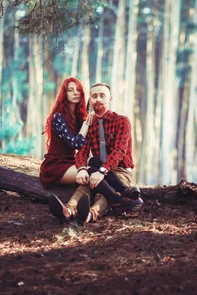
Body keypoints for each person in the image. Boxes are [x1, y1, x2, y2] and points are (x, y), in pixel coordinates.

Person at [49, 83, 143, 224]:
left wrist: (103, 171)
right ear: (90, 100)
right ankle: (67, 211)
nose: (98, 99)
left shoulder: (122, 121)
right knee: (84, 187)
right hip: (96, 169)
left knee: (104, 194)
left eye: (102, 95)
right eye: (94, 96)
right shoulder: (90, 124)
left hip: (119, 170)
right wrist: (81, 169)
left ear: (110, 99)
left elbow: (119, 151)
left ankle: (89, 215)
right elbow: (82, 152)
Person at [39, 77, 96, 188]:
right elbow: (76, 144)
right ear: (64, 94)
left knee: (98, 166)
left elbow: (87, 144)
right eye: (70, 90)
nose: (75, 92)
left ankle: (119, 196)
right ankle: (118, 199)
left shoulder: (78, 117)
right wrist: (86, 123)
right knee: (93, 172)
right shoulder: (58, 117)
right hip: (55, 166)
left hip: (71, 162)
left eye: (78, 90)